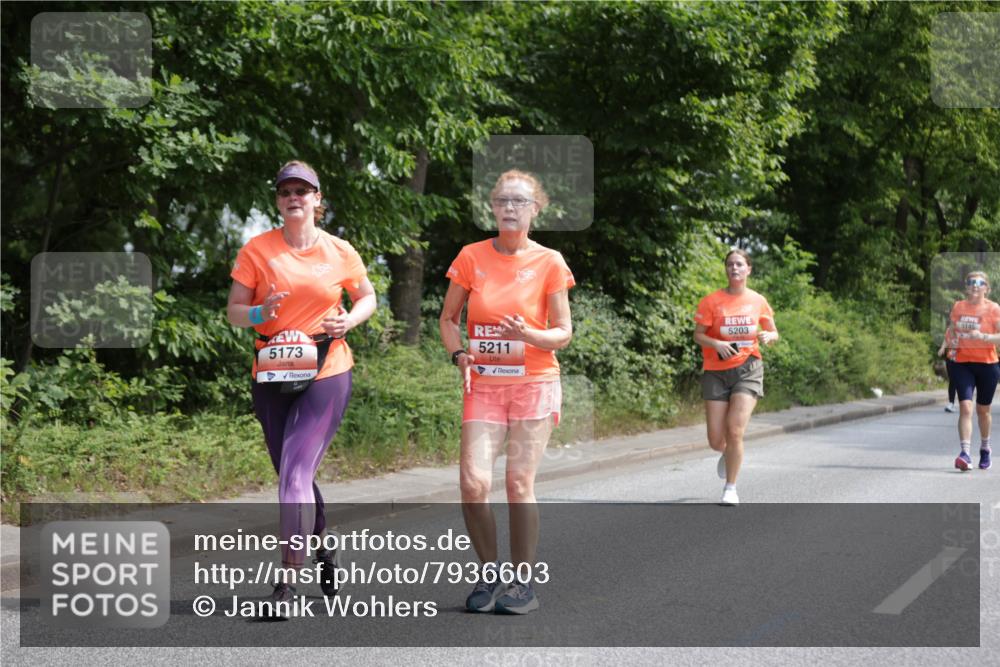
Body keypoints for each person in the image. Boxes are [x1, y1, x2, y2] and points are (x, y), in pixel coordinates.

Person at [227, 160, 377, 605]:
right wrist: (260, 313)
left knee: (294, 472)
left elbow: (367, 295)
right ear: (278, 201)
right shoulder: (257, 250)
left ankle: (287, 582)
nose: (294, 197)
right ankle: (324, 544)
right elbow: (235, 311)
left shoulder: (339, 250)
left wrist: (348, 319)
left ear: (317, 200)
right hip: (271, 372)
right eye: (286, 191)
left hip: (326, 368)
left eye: (302, 191)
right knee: (293, 473)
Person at [439, 169, 574, 615]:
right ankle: (489, 571)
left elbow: (563, 333)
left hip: (534, 383)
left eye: (520, 201)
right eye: (502, 200)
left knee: (518, 483)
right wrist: (459, 354)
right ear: (492, 208)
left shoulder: (549, 261)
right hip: (484, 386)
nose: (510, 208)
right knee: (473, 483)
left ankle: (523, 586)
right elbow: (447, 319)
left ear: (537, 208)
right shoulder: (471, 257)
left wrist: (530, 334)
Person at [693, 249, 779, 506]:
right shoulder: (711, 301)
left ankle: (730, 487)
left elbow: (773, 331)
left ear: (748, 269)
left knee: (735, 431)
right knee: (716, 439)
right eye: (730, 264)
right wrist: (716, 343)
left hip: (748, 369)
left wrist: (768, 336)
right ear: (726, 269)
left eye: (740, 264)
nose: (735, 268)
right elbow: (698, 335)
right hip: (716, 371)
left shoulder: (757, 300)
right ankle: (729, 453)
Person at [947, 271, 999, 471]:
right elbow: (952, 329)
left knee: (983, 411)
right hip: (962, 363)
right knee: (966, 407)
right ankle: (965, 454)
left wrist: (984, 337)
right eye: (971, 282)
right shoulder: (959, 306)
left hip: (987, 364)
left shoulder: (994, 308)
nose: (975, 285)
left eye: (979, 283)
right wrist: (951, 340)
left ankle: (985, 448)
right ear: (966, 287)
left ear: (987, 287)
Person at [937, 325, 959, 413]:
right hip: (951, 358)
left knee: (961, 381)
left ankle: (965, 403)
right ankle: (951, 403)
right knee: (952, 381)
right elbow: (946, 340)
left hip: (963, 359)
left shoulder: (966, 328)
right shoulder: (949, 329)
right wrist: (942, 348)